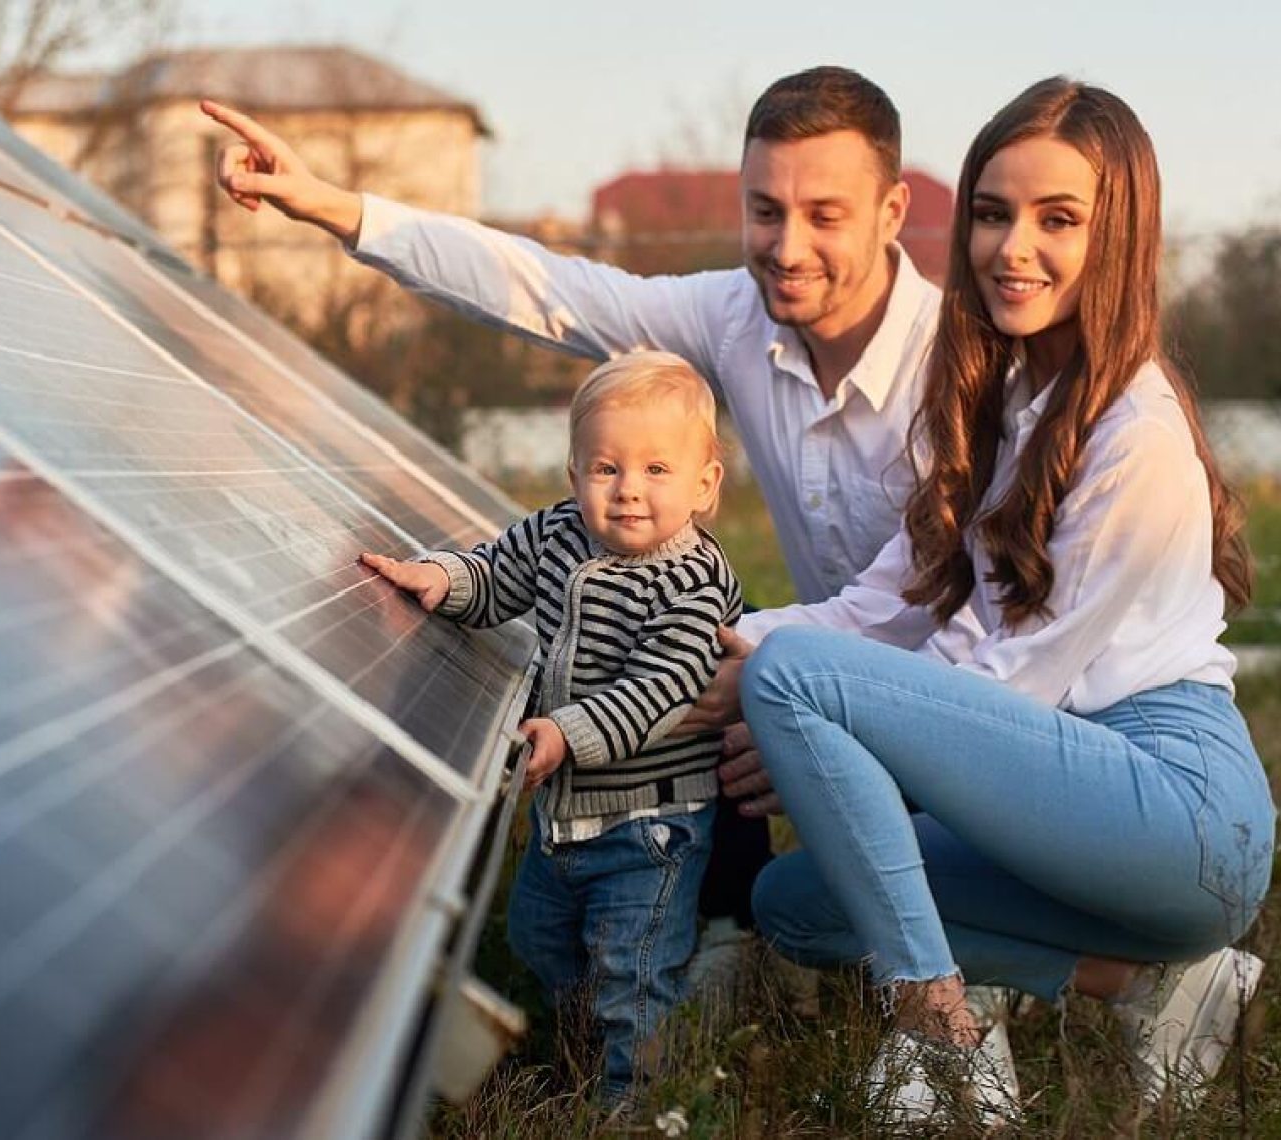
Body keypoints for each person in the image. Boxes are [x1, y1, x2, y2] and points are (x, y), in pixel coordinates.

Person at [201, 66, 967, 978]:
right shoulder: (736, 316)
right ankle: (716, 933)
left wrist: (803, 700)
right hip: (820, 662)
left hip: (978, 698)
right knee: (685, 641)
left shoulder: (961, 367)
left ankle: (1010, 960)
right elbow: (547, 289)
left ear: (892, 212)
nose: (788, 246)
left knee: (735, 665)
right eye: (766, 211)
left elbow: (968, 613)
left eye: (825, 216)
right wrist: (336, 208)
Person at [703, 77, 1274, 1125]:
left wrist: (802, 726)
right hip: (1060, 792)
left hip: (1172, 814)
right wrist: (708, 647)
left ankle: (945, 1042)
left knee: (793, 689)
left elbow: (1005, 686)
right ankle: (1158, 988)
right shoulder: (1011, 401)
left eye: (1056, 219)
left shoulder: (1132, 437)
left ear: (1119, 236)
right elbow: (886, 606)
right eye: (990, 211)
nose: (1011, 247)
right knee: (796, 903)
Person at [360, 351, 743, 1104]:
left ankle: (631, 1101)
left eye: (657, 471)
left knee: (629, 971)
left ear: (705, 483)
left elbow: (660, 689)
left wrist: (566, 731)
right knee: (538, 935)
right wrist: (444, 578)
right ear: (573, 475)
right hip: (563, 818)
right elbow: (499, 573)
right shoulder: (559, 532)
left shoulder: (695, 584)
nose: (629, 490)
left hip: (650, 828)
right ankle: (582, 1039)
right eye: (606, 468)